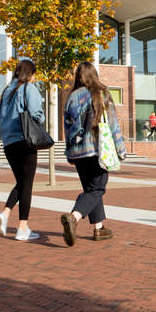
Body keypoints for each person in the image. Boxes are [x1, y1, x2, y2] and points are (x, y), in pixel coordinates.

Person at [60, 62, 126, 247]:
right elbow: (113, 124)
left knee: (91, 190)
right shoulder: (102, 93)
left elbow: (67, 128)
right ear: (94, 75)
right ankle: (74, 217)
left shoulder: (71, 97)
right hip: (97, 150)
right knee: (98, 189)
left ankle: (99, 228)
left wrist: (69, 153)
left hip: (78, 152)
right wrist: (120, 150)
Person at [0, 60, 45, 241]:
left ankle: (5, 214)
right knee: (27, 183)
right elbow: (36, 113)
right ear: (30, 74)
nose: (35, 78)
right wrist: (42, 118)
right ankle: (22, 227)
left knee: (22, 182)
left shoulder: (7, 90)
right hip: (25, 141)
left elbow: (1, 116)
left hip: (8, 143)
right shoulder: (28, 88)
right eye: (34, 74)